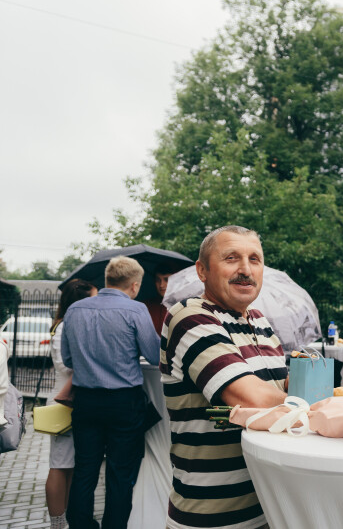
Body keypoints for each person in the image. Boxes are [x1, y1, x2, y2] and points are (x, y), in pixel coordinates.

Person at [161, 225, 288, 529]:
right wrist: (326, 405)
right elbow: (252, 398)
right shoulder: (190, 316)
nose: (246, 270)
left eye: (254, 259)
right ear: (202, 271)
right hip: (211, 515)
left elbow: (282, 388)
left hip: (267, 509)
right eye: (231, 258)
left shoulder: (260, 322)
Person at [61, 256, 160, 529]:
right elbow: (154, 355)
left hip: (85, 400)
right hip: (123, 403)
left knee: (85, 469)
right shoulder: (136, 310)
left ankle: (80, 525)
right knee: (120, 474)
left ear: (107, 279)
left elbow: (68, 360)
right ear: (135, 285)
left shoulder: (75, 310)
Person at [45, 279, 97, 529]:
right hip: (64, 403)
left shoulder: (65, 325)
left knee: (71, 465)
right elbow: (68, 365)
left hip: (71, 400)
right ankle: (57, 523)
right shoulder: (66, 327)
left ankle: (66, 518)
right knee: (60, 465)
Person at [144, 264, 174, 332]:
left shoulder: (185, 306)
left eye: (166, 280)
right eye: (158, 280)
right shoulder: (146, 306)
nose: (161, 285)